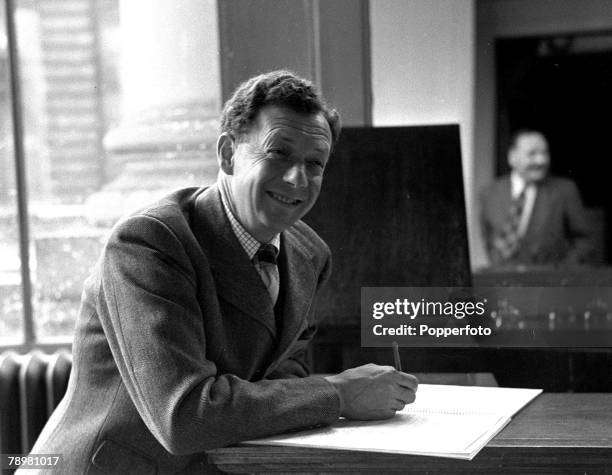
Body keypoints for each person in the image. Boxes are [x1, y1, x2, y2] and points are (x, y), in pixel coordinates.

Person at [27, 71, 418, 474]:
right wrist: (338, 394)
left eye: (314, 163)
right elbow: (182, 417)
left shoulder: (309, 253)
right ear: (228, 154)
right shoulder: (149, 241)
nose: (297, 178)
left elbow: (284, 376)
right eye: (279, 154)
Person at [480, 128, 593, 266]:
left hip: (549, 282)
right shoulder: (490, 192)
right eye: (532, 154)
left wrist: (563, 271)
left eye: (545, 153)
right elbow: (489, 239)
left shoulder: (565, 190)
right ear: (512, 157)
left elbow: (585, 240)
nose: (541, 160)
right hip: (503, 280)